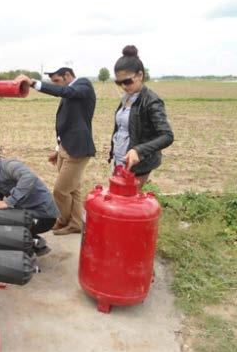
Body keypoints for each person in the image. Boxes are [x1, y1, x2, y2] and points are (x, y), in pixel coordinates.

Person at [15, 69, 96, 235]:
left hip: (78, 150)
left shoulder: (83, 86)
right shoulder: (70, 93)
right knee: (73, 189)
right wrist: (58, 149)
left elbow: (65, 91)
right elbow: (66, 124)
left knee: (60, 190)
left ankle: (62, 220)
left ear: (67, 76)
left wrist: (33, 83)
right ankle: (75, 223)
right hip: (66, 148)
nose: (55, 85)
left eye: (57, 80)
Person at [0, 143, 59, 254]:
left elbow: (29, 177)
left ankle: (28, 254)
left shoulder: (9, 165)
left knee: (6, 230)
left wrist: (9, 202)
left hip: (43, 216)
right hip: (29, 212)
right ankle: (33, 243)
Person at [109, 45, 174, 188]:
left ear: (140, 75)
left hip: (137, 165)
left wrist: (139, 150)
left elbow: (167, 136)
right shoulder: (127, 97)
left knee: (127, 205)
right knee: (117, 202)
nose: (123, 86)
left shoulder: (151, 101)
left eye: (127, 81)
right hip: (119, 160)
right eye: (119, 82)